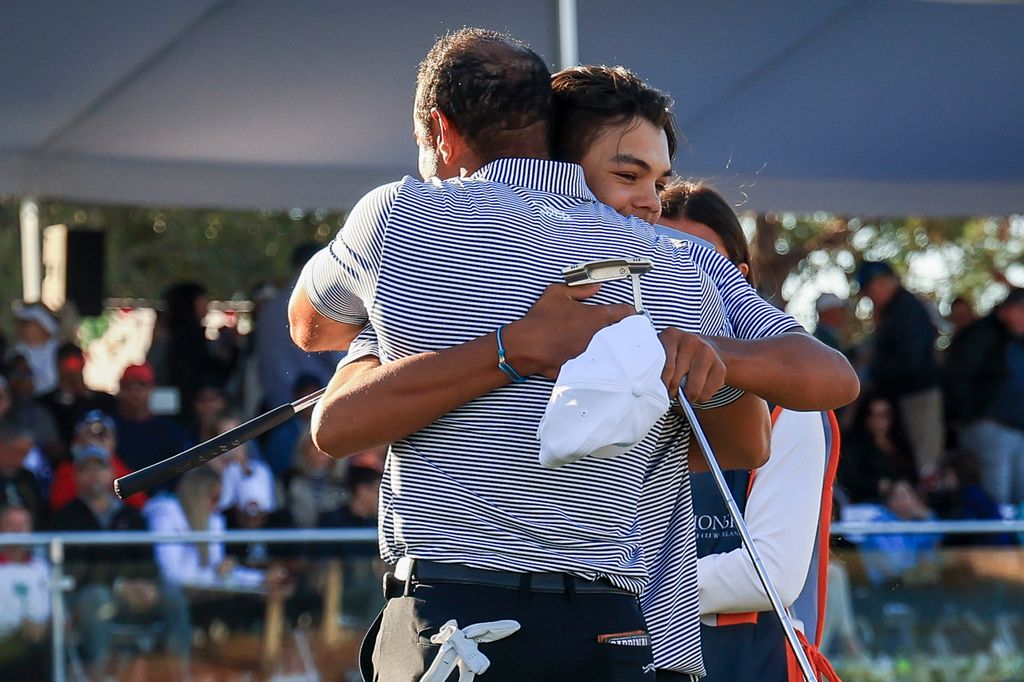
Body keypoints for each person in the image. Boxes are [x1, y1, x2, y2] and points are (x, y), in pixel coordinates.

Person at [290, 33, 858, 681]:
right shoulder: (680, 267)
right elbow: (754, 435)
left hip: (466, 614)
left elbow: (312, 337)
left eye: (660, 179)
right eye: (628, 173)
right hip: (616, 628)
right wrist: (530, 352)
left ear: (440, 130)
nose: (651, 199)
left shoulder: (403, 221)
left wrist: (686, 356)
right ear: (558, 153)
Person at [658, 179, 841, 681]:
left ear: (736, 276)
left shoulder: (792, 402)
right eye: (652, 256)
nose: (672, 273)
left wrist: (617, 578)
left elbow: (770, 575)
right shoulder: (621, 388)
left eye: (694, 257)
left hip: (746, 661)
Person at [50, 443, 189, 674]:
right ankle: (98, 674)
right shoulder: (64, 519)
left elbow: (148, 562)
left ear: (111, 472)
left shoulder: (132, 516)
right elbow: (74, 570)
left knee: (172, 595)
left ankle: (180, 673)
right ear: (76, 476)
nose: (94, 475)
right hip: (87, 598)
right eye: (86, 469)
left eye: (100, 468)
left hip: (134, 595)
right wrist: (119, 584)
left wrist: (147, 586)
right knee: (98, 598)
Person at [856, 260, 944, 480]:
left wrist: (874, 372)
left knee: (927, 463)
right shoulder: (894, 310)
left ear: (882, 284)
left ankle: (928, 509)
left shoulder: (907, 309)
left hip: (919, 394)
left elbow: (909, 359)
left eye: (870, 289)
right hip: (906, 394)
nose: (870, 296)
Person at [945, 287, 1024, 506]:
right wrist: (971, 417)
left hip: (1016, 430)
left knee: (1019, 504)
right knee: (997, 502)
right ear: (1009, 311)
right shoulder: (984, 334)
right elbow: (957, 376)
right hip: (990, 428)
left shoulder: (1014, 339)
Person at [255, 243, 344, 410]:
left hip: (275, 408)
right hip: (315, 408)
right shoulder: (320, 302)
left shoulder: (269, 309)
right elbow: (342, 359)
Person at [112, 363, 192, 485]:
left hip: (159, 496)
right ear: (121, 390)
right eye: (129, 386)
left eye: (141, 385)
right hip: (119, 495)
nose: (135, 392)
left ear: (152, 388)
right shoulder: (109, 427)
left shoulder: (168, 428)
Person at [0, 505, 50, 680]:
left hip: (42, 644)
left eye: (23, 524)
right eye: (11, 524)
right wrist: (21, 627)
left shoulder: (43, 568)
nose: (18, 530)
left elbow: (59, 614)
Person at [838, 393, 917, 503]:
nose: (878, 421)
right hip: (869, 503)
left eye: (884, 415)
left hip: (904, 497)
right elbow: (850, 481)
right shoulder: (855, 446)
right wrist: (877, 486)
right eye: (874, 415)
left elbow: (912, 475)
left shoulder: (901, 444)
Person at [40, 343, 117, 452]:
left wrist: (83, 394)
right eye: (68, 364)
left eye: (76, 363)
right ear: (58, 365)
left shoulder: (105, 400)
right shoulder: (44, 403)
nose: (72, 369)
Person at [0, 423, 46, 529]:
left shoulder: (28, 478)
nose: (22, 458)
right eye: (17, 452)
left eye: (25, 453)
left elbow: (40, 510)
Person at [10, 303, 60, 396]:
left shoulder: (60, 352)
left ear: (44, 326)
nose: (20, 326)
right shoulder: (16, 353)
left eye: (27, 322)